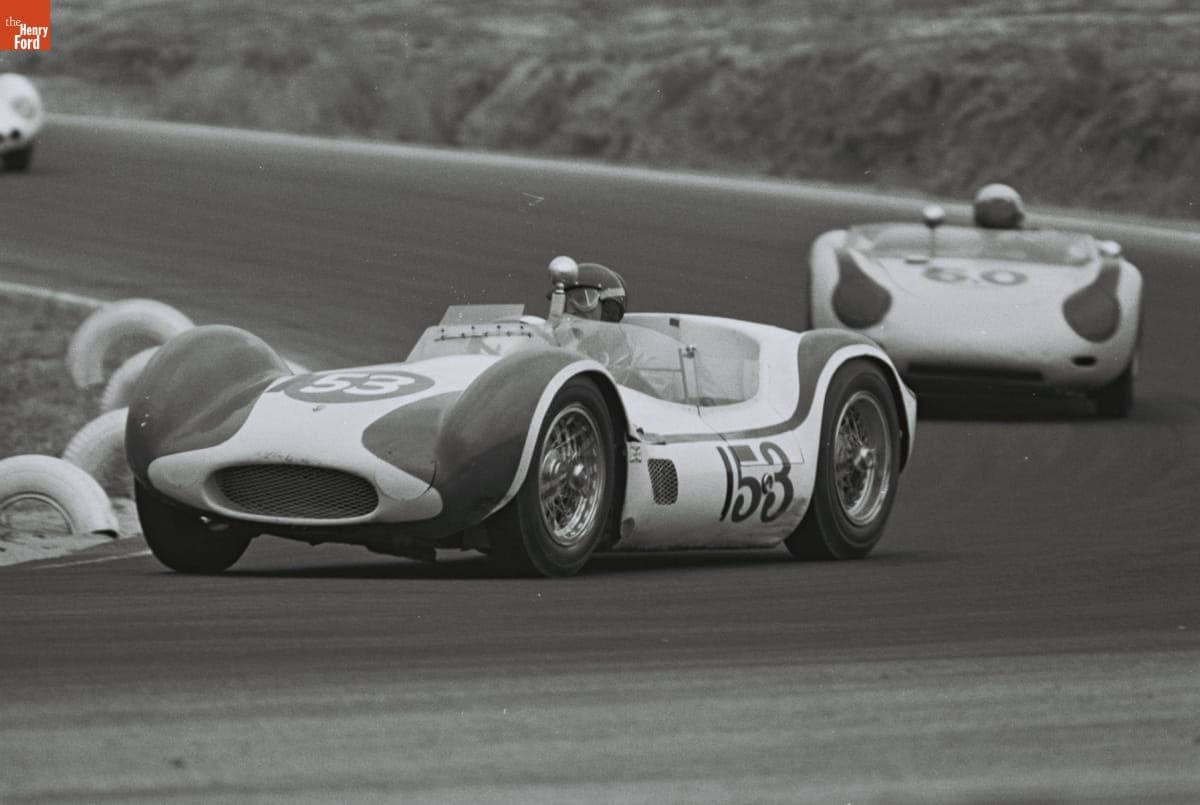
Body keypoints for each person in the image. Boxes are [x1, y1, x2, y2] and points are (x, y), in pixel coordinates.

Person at [558, 261, 628, 322]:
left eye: (581, 299)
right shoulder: (553, 335)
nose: (570, 311)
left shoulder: (633, 337)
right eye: (564, 303)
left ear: (608, 310)